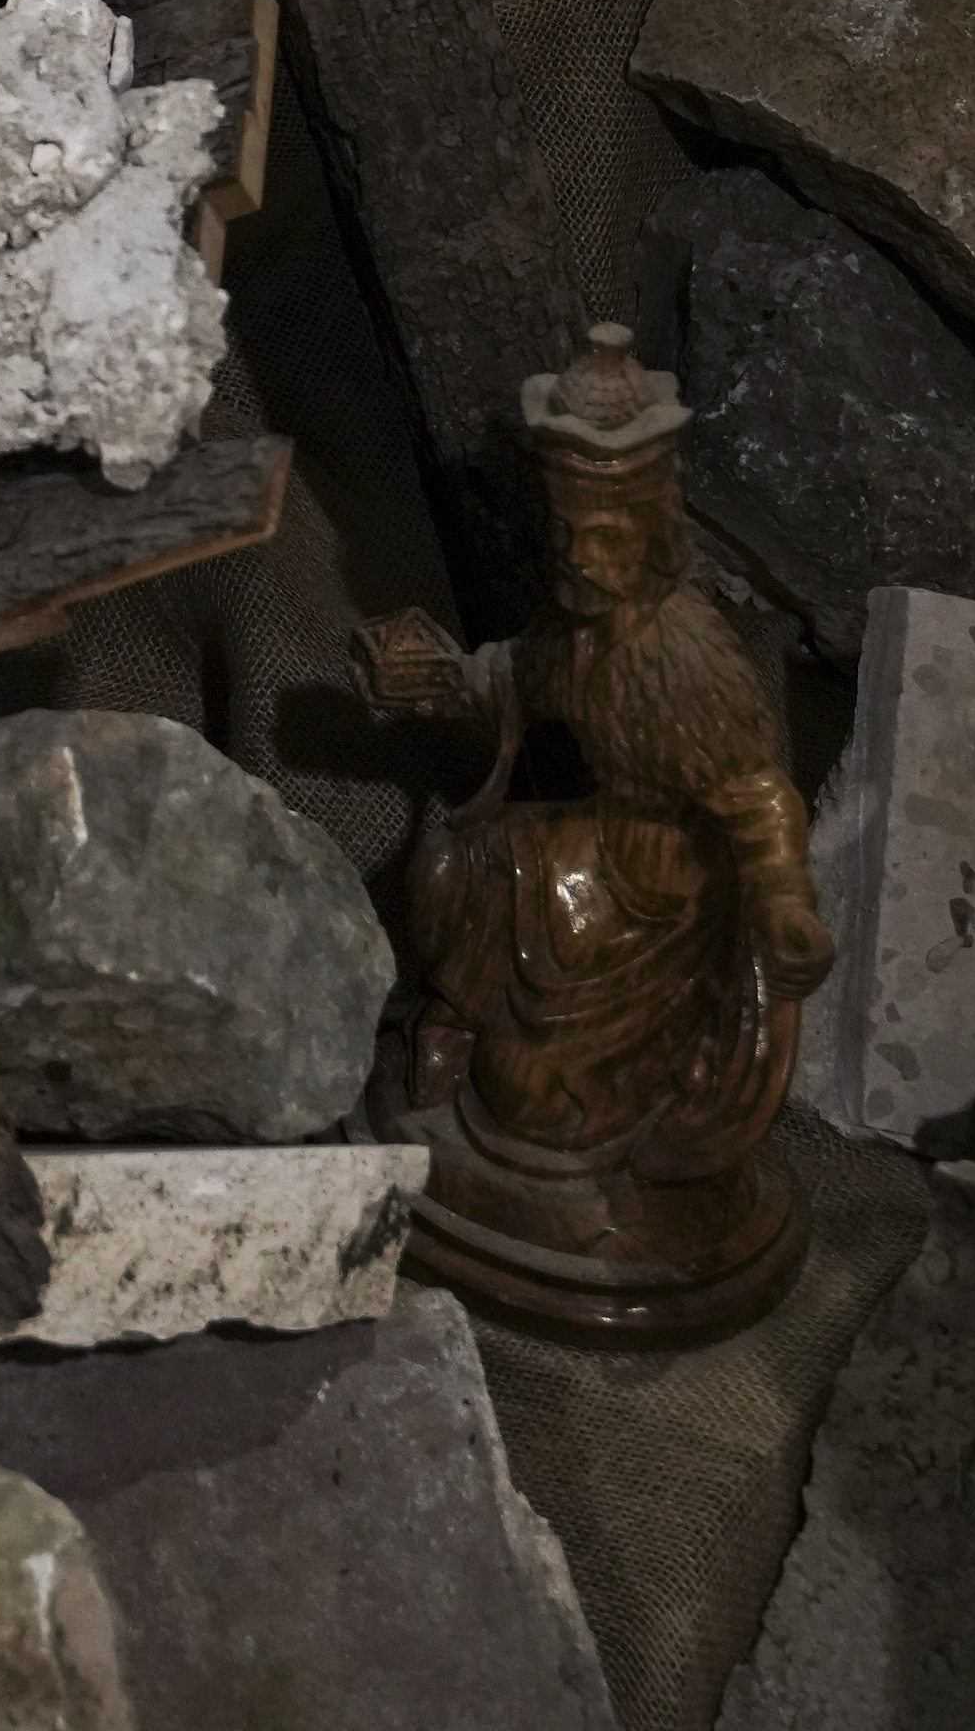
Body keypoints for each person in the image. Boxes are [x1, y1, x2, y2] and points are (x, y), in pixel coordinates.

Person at [351, 326, 832, 1337]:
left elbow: (757, 797)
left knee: (528, 1094)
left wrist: (785, 902)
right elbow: (517, 681)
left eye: (604, 535)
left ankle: (562, 1101)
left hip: (669, 897)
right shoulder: (575, 625)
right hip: (587, 846)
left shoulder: (689, 658)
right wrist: (438, 677)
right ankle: (446, 1028)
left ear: (654, 528)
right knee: (453, 866)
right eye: (566, 532)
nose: (579, 555)